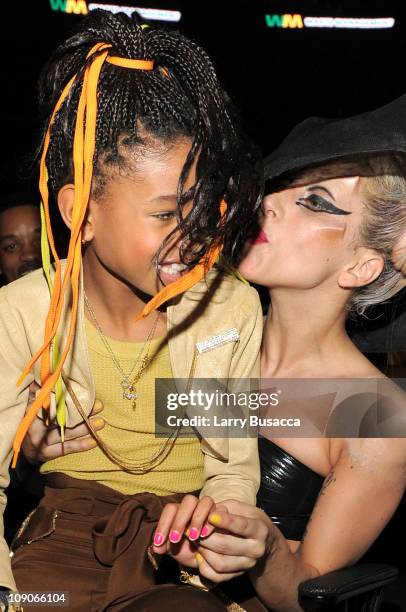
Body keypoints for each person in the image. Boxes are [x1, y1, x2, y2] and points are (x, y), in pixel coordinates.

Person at [0, 9, 264, 611]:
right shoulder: (21, 313)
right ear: (81, 214)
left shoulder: (224, 308)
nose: (193, 235)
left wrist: (225, 529)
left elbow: (231, 463)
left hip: (177, 560)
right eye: (166, 214)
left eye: (199, 211)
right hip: (54, 558)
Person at [150, 97, 406, 611]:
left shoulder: (372, 414)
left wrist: (264, 546)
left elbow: (305, 594)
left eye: (315, 201)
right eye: (281, 185)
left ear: (361, 266)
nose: (268, 203)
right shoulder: (193, 329)